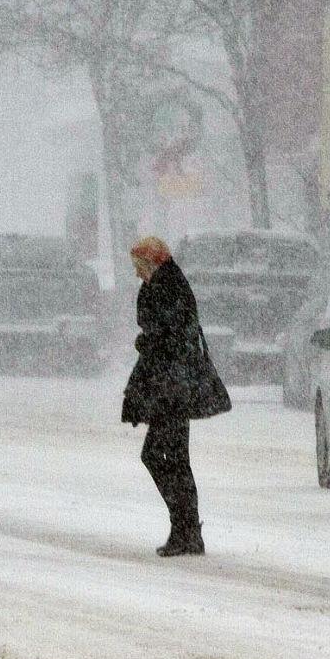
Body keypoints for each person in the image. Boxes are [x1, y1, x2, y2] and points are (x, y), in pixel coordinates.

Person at [121, 236, 206, 557]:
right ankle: (187, 531)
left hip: (172, 388)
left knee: (157, 456)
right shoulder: (166, 284)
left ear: (152, 262)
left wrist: (149, 343)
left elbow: (171, 336)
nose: (136, 272)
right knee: (176, 460)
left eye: (139, 266)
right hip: (173, 386)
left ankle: (184, 528)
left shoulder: (166, 287)